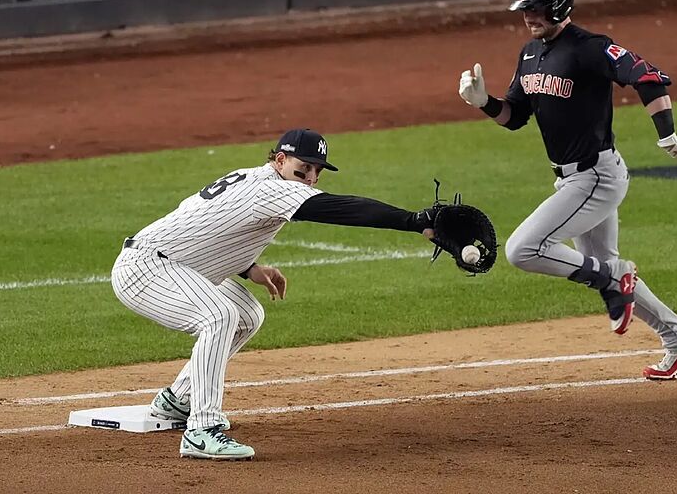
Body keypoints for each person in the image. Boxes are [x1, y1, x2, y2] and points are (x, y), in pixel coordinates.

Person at [111, 128, 439, 460]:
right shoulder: (272, 189)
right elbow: (340, 209)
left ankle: (177, 401)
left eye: (317, 170)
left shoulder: (251, 178)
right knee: (219, 316)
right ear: (280, 160)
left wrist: (249, 268)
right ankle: (201, 430)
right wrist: (413, 221)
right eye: (303, 168)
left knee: (247, 315)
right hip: (145, 269)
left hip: (176, 263)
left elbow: (209, 225)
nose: (310, 177)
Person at [457, 0, 677, 381]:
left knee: (524, 249)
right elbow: (515, 116)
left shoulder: (590, 48)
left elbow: (647, 77)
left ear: (557, 4)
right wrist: (483, 102)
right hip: (572, 178)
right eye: (524, 9)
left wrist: (668, 135)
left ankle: (612, 277)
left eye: (534, 8)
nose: (527, 17)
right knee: (605, 266)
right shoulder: (530, 53)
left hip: (596, 177)